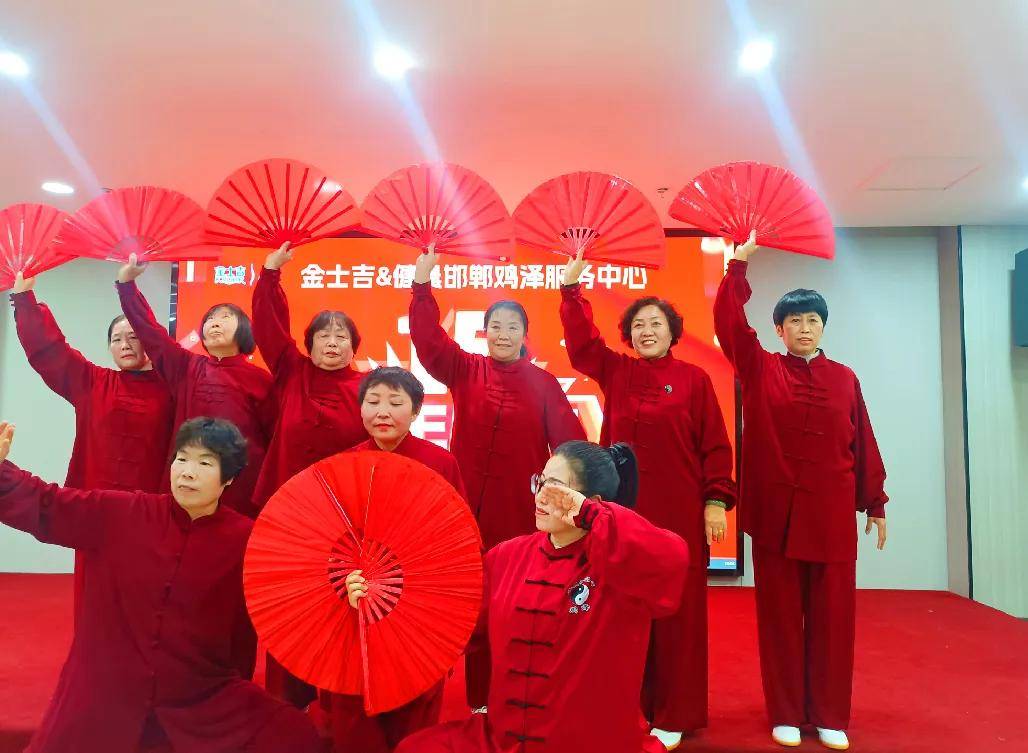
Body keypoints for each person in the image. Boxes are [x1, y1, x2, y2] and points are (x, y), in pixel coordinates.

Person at [0, 417, 321, 753]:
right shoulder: (122, 513)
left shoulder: (248, 540)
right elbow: (47, 503)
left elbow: (295, 587)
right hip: (106, 689)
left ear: (229, 478)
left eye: (204, 463)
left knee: (293, 733)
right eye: (181, 459)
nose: (187, 473)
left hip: (198, 694)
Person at [382, 440, 688, 753]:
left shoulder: (623, 566)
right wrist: (385, 594)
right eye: (540, 483)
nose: (540, 496)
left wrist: (591, 516)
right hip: (504, 741)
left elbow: (672, 558)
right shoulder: (507, 556)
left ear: (592, 503)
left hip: (589, 744)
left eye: (555, 488)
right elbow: (454, 623)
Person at [713, 232, 889, 751]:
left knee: (834, 622)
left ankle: (829, 714)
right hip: (777, 518)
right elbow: (728, 325)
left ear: (823, 327)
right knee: (781, 622)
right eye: (794, 321)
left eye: (813, 320)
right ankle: (787, 712)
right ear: (779, 329)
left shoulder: (845, 379)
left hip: (831, 519)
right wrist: (736, 269)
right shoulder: (760, 367)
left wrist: (875, 503)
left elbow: (863, 440)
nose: (804, 328)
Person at [559, 251, 736, 747]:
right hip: (623, 515)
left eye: (655, 323)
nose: (646, 331)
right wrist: (571, 292)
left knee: (679, 616)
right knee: (622, 611)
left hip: (678, 515)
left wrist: (715, 501)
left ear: (672, 331)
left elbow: (715, 445)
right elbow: (582, 345)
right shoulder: (616, 372)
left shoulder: (695, 379)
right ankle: (627, 705)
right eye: (638, 325)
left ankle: (675, 713)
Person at [9, 271, 175, 620]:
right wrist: (25, 301)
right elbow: (51, 352)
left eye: (134, 336)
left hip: (150, 515)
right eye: (117, 339)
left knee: (145, 602)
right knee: (94, 602)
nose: (125, 344)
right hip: (95, 512)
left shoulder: (173, 390)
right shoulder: (93, 383)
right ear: (109, 348)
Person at [252, 242, 369, 708]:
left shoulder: (368, 387)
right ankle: (287, 704)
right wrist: (270, 274)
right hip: (289, 515)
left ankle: (339, 701)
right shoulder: (291, 371)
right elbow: (268, 326)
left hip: (346, 518)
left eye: (342, 336)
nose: (332, 342)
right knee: (290, 605)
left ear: (354, 346)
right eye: (324, 335)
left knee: (340, 606)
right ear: (309, 343)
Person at [327, 366, 466, 753]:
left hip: (420, 600)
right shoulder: (345, 463)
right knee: (353, 700)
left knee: (414, 699)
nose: (382, 412)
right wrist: (346, 579)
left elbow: (458, 536)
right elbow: (332, 539)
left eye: (395, 402)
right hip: (357, 598)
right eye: (372, 402)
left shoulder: (441, 463)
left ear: (417, 410)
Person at [409, 248, 584, 551]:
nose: (503, 335)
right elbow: (429, 340)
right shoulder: (466, 368)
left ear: (524, 335)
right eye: (496, 326)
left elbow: (570, 447)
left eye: (513, 327)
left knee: (513, 567)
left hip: (519, 504)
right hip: (463, 496)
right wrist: (422, 283)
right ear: (485, 331)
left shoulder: (544, 384)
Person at [117, 254, 272, 517]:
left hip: (240, 486)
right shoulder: (186, 366)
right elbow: (150, 332)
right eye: (210, 318)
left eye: (225, 317)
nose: (215, 322)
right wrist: (126, 285)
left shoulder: (261, 379)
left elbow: (273, 441)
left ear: (244, 330)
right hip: (187, 481)